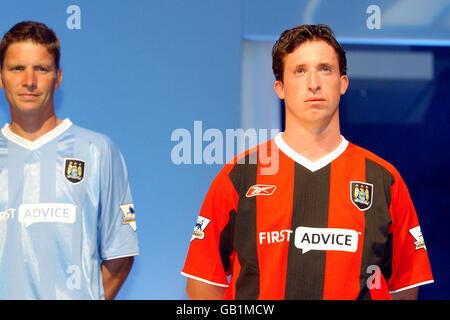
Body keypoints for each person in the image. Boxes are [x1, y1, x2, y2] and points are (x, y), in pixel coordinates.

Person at [181, 24, 433, 300]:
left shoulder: (384, 179)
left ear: (343, 83)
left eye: (324, 68)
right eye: (300, 71)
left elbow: (405, 288)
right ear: (280, 88)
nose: (314, 82)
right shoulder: (240, 176)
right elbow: (202, 284)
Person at [0, 21, 139, 299]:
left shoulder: (99, 151)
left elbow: (121, 255)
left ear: (58, 77)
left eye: (41, 68)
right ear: (1, 76)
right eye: (17, 68)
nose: (29, 80)